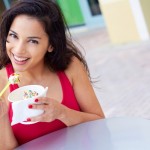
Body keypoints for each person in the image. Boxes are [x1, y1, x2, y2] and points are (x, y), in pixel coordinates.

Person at [0, 0, 105, 149]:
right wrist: (2, 117)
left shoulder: (70, 67)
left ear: (51, 45)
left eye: (32, 41)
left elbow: (100, 122)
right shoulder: (2, 82)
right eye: (14, 36)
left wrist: (62, 113)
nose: (18, 50)